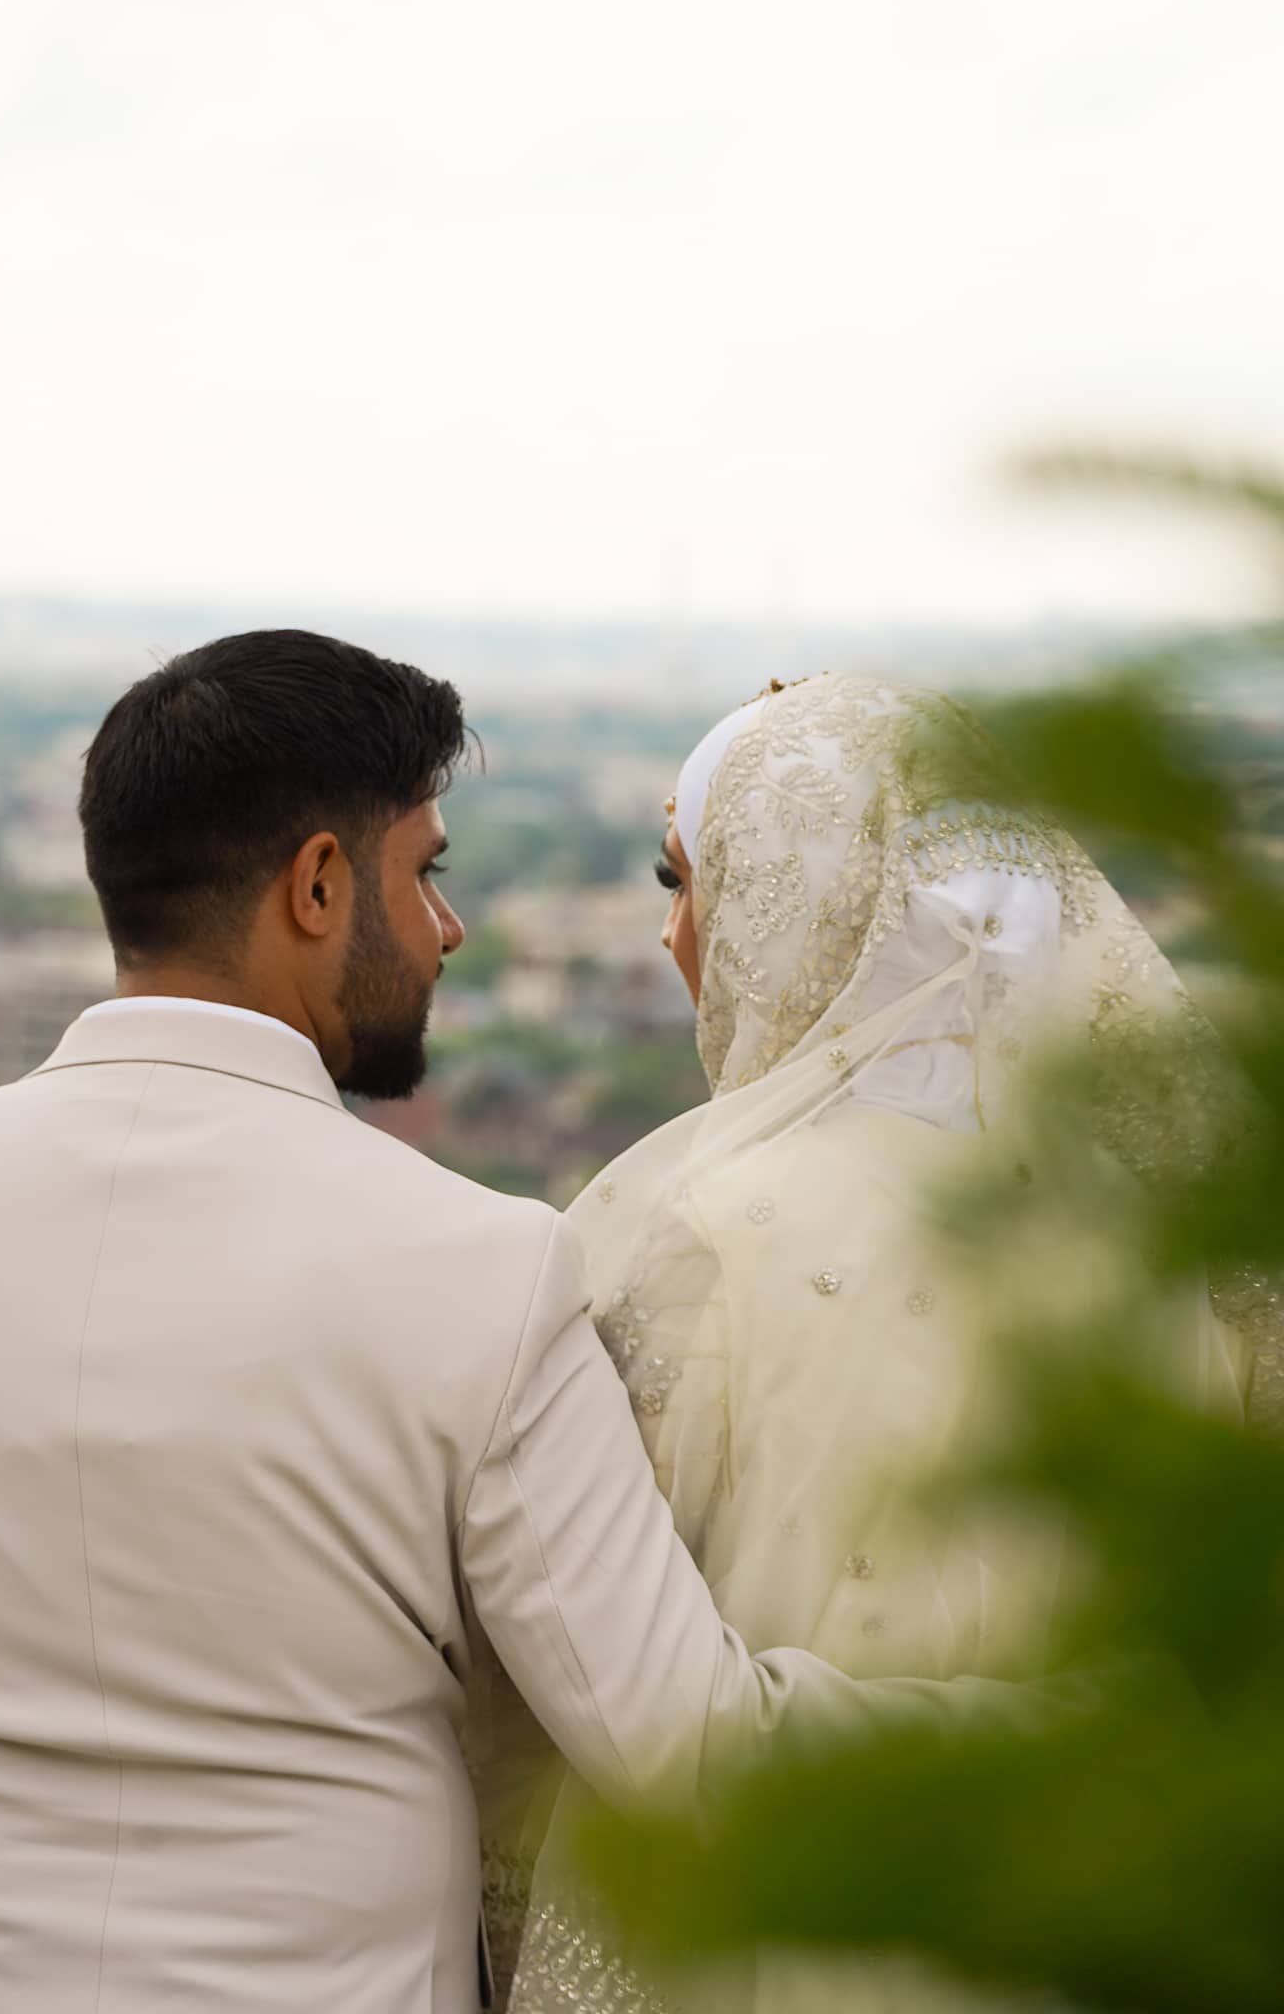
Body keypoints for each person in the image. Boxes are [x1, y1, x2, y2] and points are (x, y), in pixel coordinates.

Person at [0, 633, 1015, 2014]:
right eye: (425, 871)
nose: (449, 928)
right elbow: (685, 1748)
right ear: (318, 885)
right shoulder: (482, 1269)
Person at [498, 670, 1276, 2013]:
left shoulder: (694, 1225)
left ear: (807, 904)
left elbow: (579, 1662)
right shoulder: (1160, 1233)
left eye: (689, 880)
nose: (676, 934)